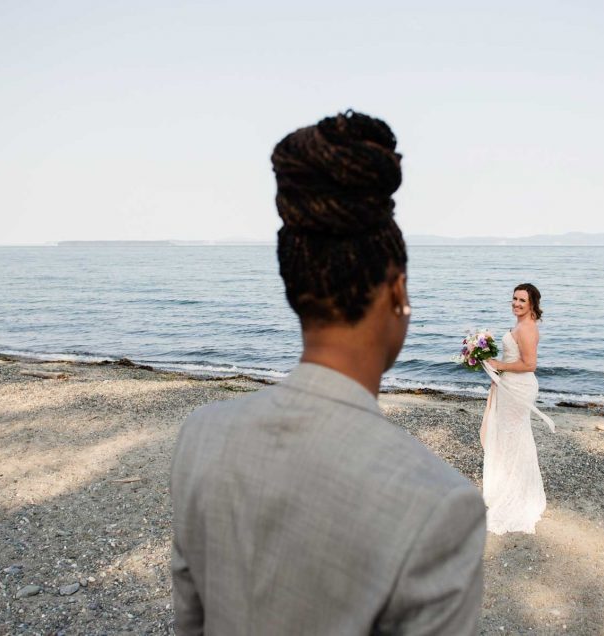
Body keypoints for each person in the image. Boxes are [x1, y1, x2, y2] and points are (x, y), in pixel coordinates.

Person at [170, 111, 486, 634]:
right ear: (398, 293)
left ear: (296, 290)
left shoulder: (202, 435)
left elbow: (190, 620)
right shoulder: (438, 504)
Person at [482, 283, 551, 534]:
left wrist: (500, 365)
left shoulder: (528, 328)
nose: (516, 304)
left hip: (519, 387)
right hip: (510, 384)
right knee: (508, 437)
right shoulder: (521, 325)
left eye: (522, 300)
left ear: (532, 303)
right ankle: (508, 488)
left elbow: (530, 364)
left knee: (514, 436)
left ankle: (518, 494)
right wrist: (497, 370)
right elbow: (515, 359)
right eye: (514, 299)